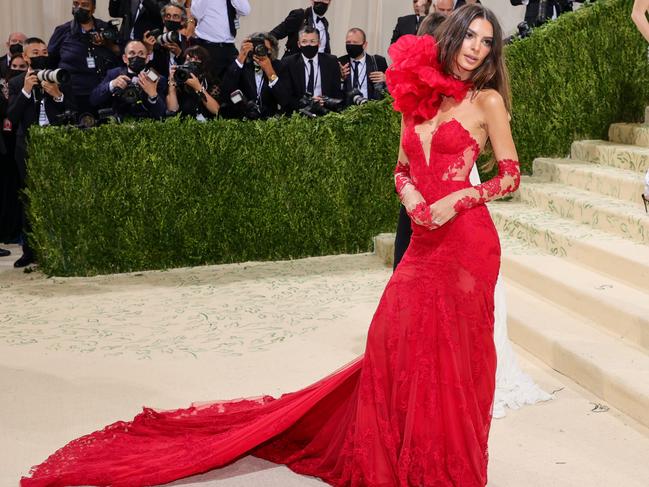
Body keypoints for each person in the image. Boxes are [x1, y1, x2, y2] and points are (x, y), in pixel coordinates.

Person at [21, 5, 521, 486]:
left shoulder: (487, 102)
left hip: (465, 246)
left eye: (486, 41)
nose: (477, 48)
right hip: (423, 239)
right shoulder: (417, 94)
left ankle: (442, 463)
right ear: (453, 35)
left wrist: (458, 199)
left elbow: (511, 176)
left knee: (454, 356)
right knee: (393, 340)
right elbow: (400, 168)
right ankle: (402, 449)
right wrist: (411, 193)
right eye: (471, 35)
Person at [7, 37, 77, 268]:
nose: (41, 54)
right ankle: (30, 250)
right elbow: (12, 119)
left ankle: (61, 246)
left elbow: (73, 110)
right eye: (35, 51)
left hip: (56, 143)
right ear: (25, 57)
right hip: (25, 145)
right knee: (29, 197)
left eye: (44, 50)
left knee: (59, 194)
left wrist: (57, 94)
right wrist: (27, 90)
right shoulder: (16, 83)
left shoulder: (60, 76)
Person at [48, 0, 120, 115]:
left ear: (93, 9)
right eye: (76, 4)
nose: (79, 7)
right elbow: (50, 61)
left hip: (104, 93)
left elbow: (120, 54)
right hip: (74, 95)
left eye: (85, 5)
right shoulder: (62, 31)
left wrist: (107, 44)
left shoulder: (106, 29)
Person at [90, 40, 168, 120]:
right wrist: (112, 84)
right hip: (121, 125)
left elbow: (161, 114)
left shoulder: (155, 78)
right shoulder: (115, 74)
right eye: (132, 53)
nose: (137, 57)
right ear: (125, 59)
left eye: (141, 53)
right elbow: (94, 99)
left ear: (147, 58)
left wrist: (153, 95)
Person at [220, 33, 290, 119]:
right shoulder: (240, 64)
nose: (259, 51)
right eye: (256, 47)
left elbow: (284, 100)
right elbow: (225, 91)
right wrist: (241, 57)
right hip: (242, 118)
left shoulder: (279, 66)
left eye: (264, 48)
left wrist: (270, 72)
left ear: (271, 51)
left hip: (269, 121)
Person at [281, 26, 343, 114]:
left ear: (319, 43)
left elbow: (336, 92)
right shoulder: (288, 63)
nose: (308, 45)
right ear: (299, 44)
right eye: (304, 42)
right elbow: (287, 95)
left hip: (325, 111)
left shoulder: (331, 61)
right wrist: (307, 103)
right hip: (299, 112)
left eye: (312, 41)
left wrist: (324, 102)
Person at [191, 0, 251, 78]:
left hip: (229, 47)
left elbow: (245, 10)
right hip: (207, 47)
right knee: (208, 84)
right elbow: (196, 13)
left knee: (233, 82)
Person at [166, 45, 220, 119]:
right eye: (188, 60)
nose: (191, 63)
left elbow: (216, 110)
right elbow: (172, 110)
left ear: (204, 63)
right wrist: (172, 83)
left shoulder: (211, 82)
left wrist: (198, 88)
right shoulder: (179, 81)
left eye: (196, 60)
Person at [338, 28, 388, 103]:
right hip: (347, 111)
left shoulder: (378, 61)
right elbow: (333, 91)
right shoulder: (340, 63)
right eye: (348, 42)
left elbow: (393, 88)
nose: (351, 45)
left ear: (364, 45)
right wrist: (340, 78)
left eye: (355, 42)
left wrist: (386, 79)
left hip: (372, 109)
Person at [145, 1, 193, 78]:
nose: (171, 19)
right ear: (163, 19)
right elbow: (145, 71)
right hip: (157, 85)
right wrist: (149, 51)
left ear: (182, 21)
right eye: (168, 16)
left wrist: (179, 55)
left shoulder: (190, 43)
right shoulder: (153, 40)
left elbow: (191, 73)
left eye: (175, 16)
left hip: (180, 85)